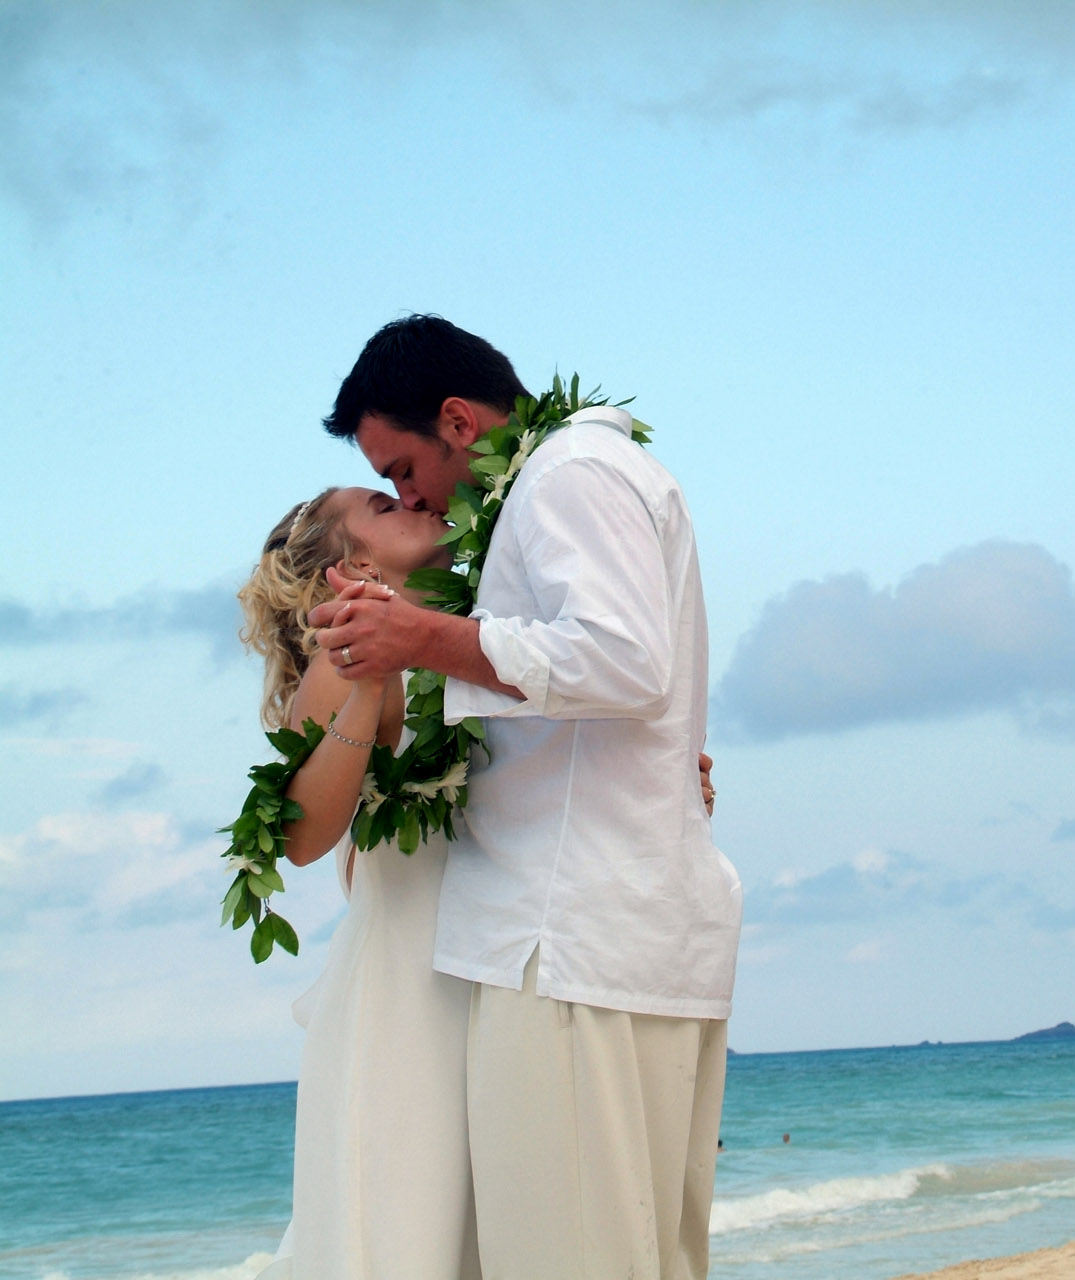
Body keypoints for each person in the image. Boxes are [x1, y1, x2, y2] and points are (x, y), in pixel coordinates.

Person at [305, 315, 741, 1280]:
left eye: (403, 466)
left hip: (567, 945)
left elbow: (625, 662)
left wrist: (419, 643)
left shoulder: (565, 476)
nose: (407, 493)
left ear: (458, 420)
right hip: (604, 939)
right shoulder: (569, 481)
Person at [239, 486, 482, 1279]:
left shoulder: (474, 636)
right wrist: (372, 684)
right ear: (356, 564)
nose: (414, 498)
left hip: (492, 962)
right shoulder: (344, 657)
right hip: (407, 988)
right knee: (409, 1227)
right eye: (383, 504)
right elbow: (306, 835)